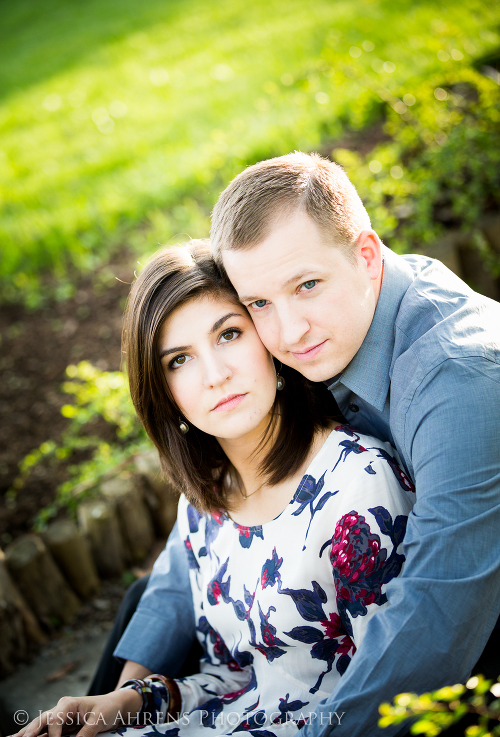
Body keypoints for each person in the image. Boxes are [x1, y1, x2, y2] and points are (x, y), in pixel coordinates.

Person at [106, 152, 500, 737]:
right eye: (259, 304)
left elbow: (437, 611)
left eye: (307, 286)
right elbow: (187, 558)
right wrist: (125, 699)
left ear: (366, 256)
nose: (289, 333)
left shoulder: (461, 379)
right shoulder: (326, 332)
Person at [12, 240, 415, 737]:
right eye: (178, 360)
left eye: (228, 335)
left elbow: (388, 696)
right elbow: (237, 680)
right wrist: (134, 699)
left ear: (266, 336)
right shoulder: (207, 502)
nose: (215, 375)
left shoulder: (358, 486)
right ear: (162, 392)